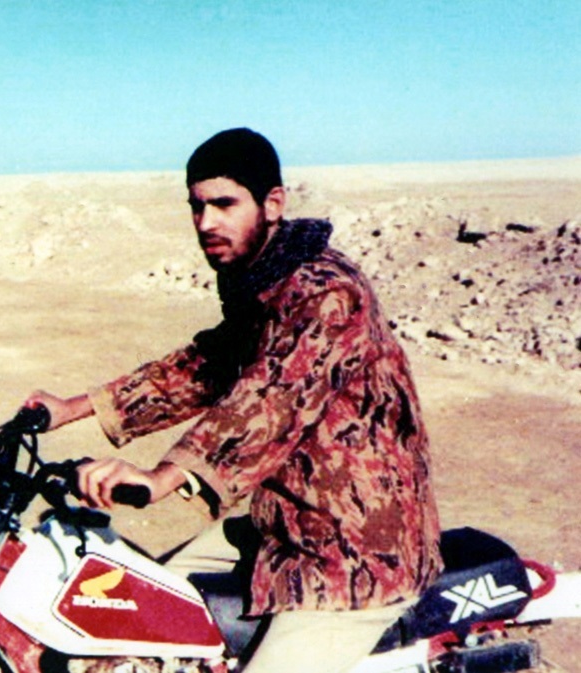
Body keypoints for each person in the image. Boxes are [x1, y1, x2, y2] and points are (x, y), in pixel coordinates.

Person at [25, 128, 442, 673]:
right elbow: (208, 365)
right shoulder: (261, 283)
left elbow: (270, 399)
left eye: (224, 204)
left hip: (354, 549)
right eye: (197, 207)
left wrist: (162, 477)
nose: (206, 223)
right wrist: (71, 408)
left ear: (273, 204)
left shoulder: (326, 292)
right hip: (284, 525)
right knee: (139, 614)